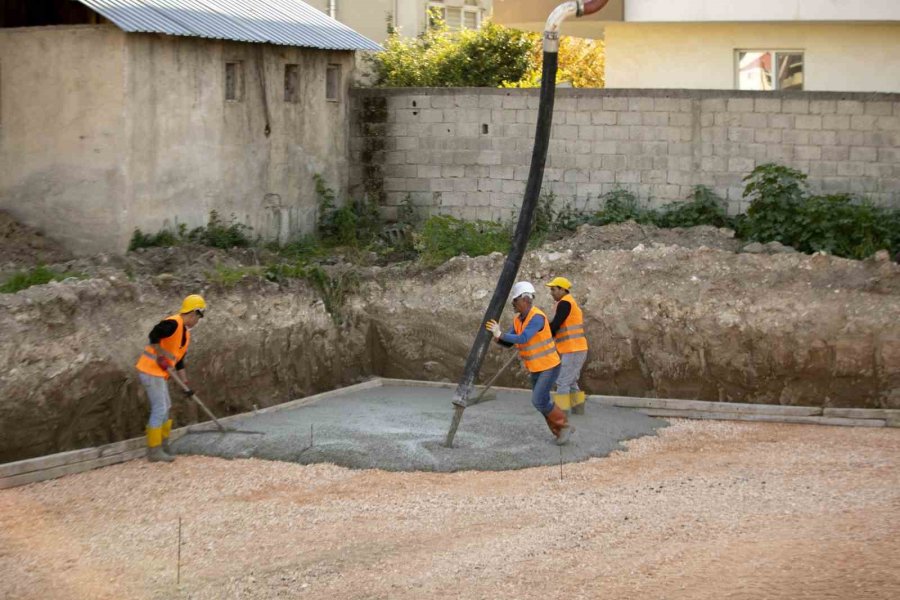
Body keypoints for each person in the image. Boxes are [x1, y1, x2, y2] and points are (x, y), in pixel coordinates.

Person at [486, 281, 572, 445]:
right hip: (536, 367)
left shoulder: (537, 318)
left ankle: (564, 427)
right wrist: (496, 335)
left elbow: (524, 338)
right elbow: (509, 341)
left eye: (515, 300)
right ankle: (559, 431)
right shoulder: (518, 320)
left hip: (549, 365)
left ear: (525, 300)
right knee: (542, 401)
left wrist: (501, 334)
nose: (513, 304)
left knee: (538, 400)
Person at [134, 294, 206, 462]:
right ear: (193, 313)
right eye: (198, 317)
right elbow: (154, 334)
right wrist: (159, 356)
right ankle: (154, 451)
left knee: (166, 407)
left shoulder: (185, 334)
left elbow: (179, 362)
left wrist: (186, 384)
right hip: (150, 370)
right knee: (160, 408)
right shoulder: (174, 323)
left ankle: (163, 445)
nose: (197, 321)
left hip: (159, 374)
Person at [546, 276, 589, 415]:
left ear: (562, 289)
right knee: (571, 381)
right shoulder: (568, 303)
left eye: (553, 289)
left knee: (562, 381)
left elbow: (556, 324)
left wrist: (544, 334)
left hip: (573, 349)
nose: (551, 292)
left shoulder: (565, 303)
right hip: (575, 348)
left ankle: (561, 413)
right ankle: (579, 410)